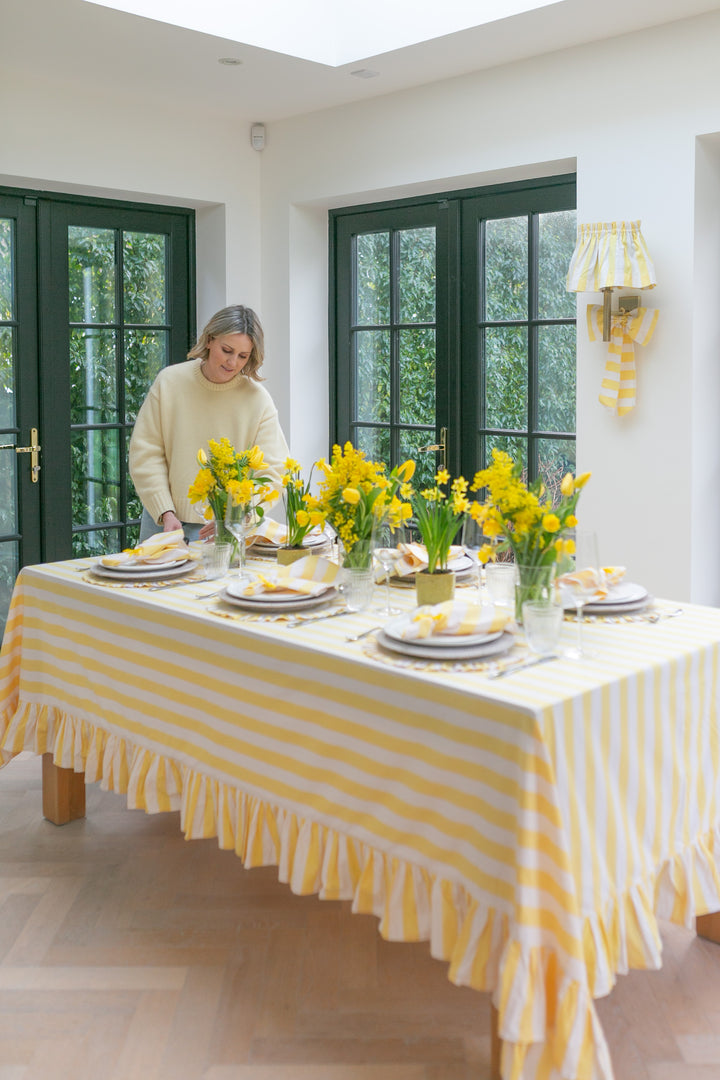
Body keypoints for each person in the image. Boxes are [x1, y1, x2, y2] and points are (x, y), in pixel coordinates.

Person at [129, 304, 290, 543]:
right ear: (209, 340)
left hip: (224, 528)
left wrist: (236, 515)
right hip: (164, 523)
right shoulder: (169, 382)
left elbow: (274, 471)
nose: (233, 362)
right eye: (227, 350)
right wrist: (164, 510)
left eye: (243, 356)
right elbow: (146, 452)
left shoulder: (258, 400)